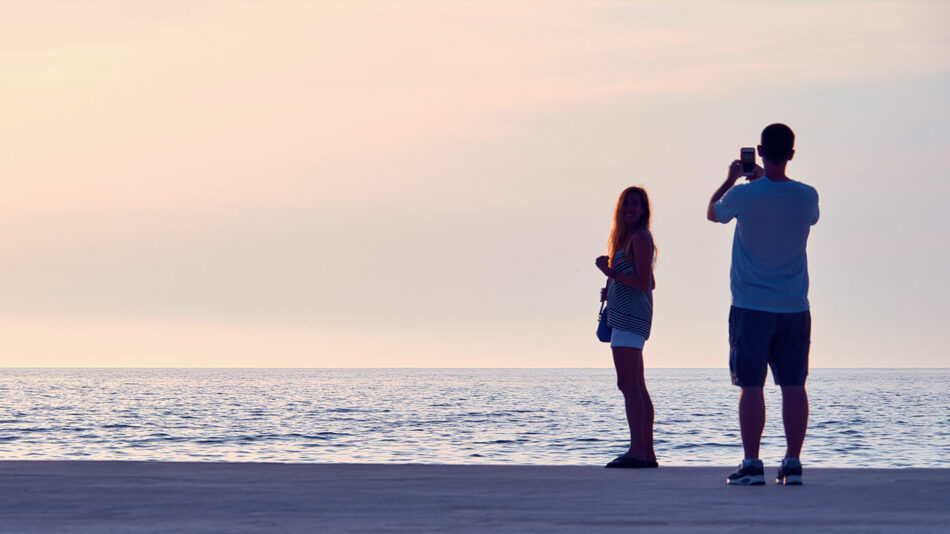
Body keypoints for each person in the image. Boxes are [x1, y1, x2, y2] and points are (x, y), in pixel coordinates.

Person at [707, 123, 820, 485]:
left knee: (751, 385)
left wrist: (731, 181)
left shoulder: (746, 194)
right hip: (794, 306)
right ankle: (792, 462)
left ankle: (753, 463)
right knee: (793, 385)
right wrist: (760, 180)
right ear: (791, 153)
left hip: (751, 305)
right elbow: (803, 214)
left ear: (758, 150)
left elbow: (714, 212)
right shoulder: (807, 196)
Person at [596, 186, 658, 468]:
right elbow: (649, 280)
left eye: (636, 203)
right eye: (626, 203)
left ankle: (637, 451)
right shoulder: (628, 239)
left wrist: (611, 273)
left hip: (631, 318)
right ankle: (647, 452)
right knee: (636, 385)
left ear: (644, 210)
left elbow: (644, 282)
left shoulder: (641, 237)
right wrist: (613, 286)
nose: (631, 207)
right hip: (626, 316)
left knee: (628, 384)